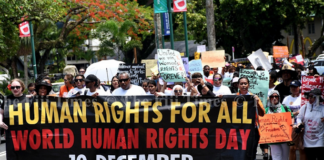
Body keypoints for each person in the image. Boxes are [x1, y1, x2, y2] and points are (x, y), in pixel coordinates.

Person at [236, 77, 265, 160]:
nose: (243, 85)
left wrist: (257, 103)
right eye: (241, 84)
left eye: (245, 83)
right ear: (238, 86)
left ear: (248, 85)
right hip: (238, 130)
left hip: (252, 130)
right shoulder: (234, 97)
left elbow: (262, 113)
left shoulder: (254, 97)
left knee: (251, 153)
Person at [281, 80, 306, 160]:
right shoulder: (286, 99)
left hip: (302, 126)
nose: (294, 89)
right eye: (292, 87)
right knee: (292, 148)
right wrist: (294, 113)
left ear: (299, 88)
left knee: (302, 148)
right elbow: (283, 112)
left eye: (295, 87)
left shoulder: (303, 98)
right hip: (291, 126)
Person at [296, 88, 324, 160]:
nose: (310, 98)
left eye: (312, 96)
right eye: (309, 96)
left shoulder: (323, 108)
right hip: (307, 140)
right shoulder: (304, 107)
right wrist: (299, 124)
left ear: (317, 98)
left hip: (320, 140)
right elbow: (299, 118)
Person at [266, 90, 294, 160]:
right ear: (269, 98)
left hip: (285, 136)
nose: (274, 98)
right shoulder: (266, 110)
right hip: (273, 137)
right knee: (276, 156)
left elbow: (291, 117)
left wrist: (291, 128)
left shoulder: (284, 107)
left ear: (279, 98)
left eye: (276, 96)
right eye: (272, 96)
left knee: (285, 156)